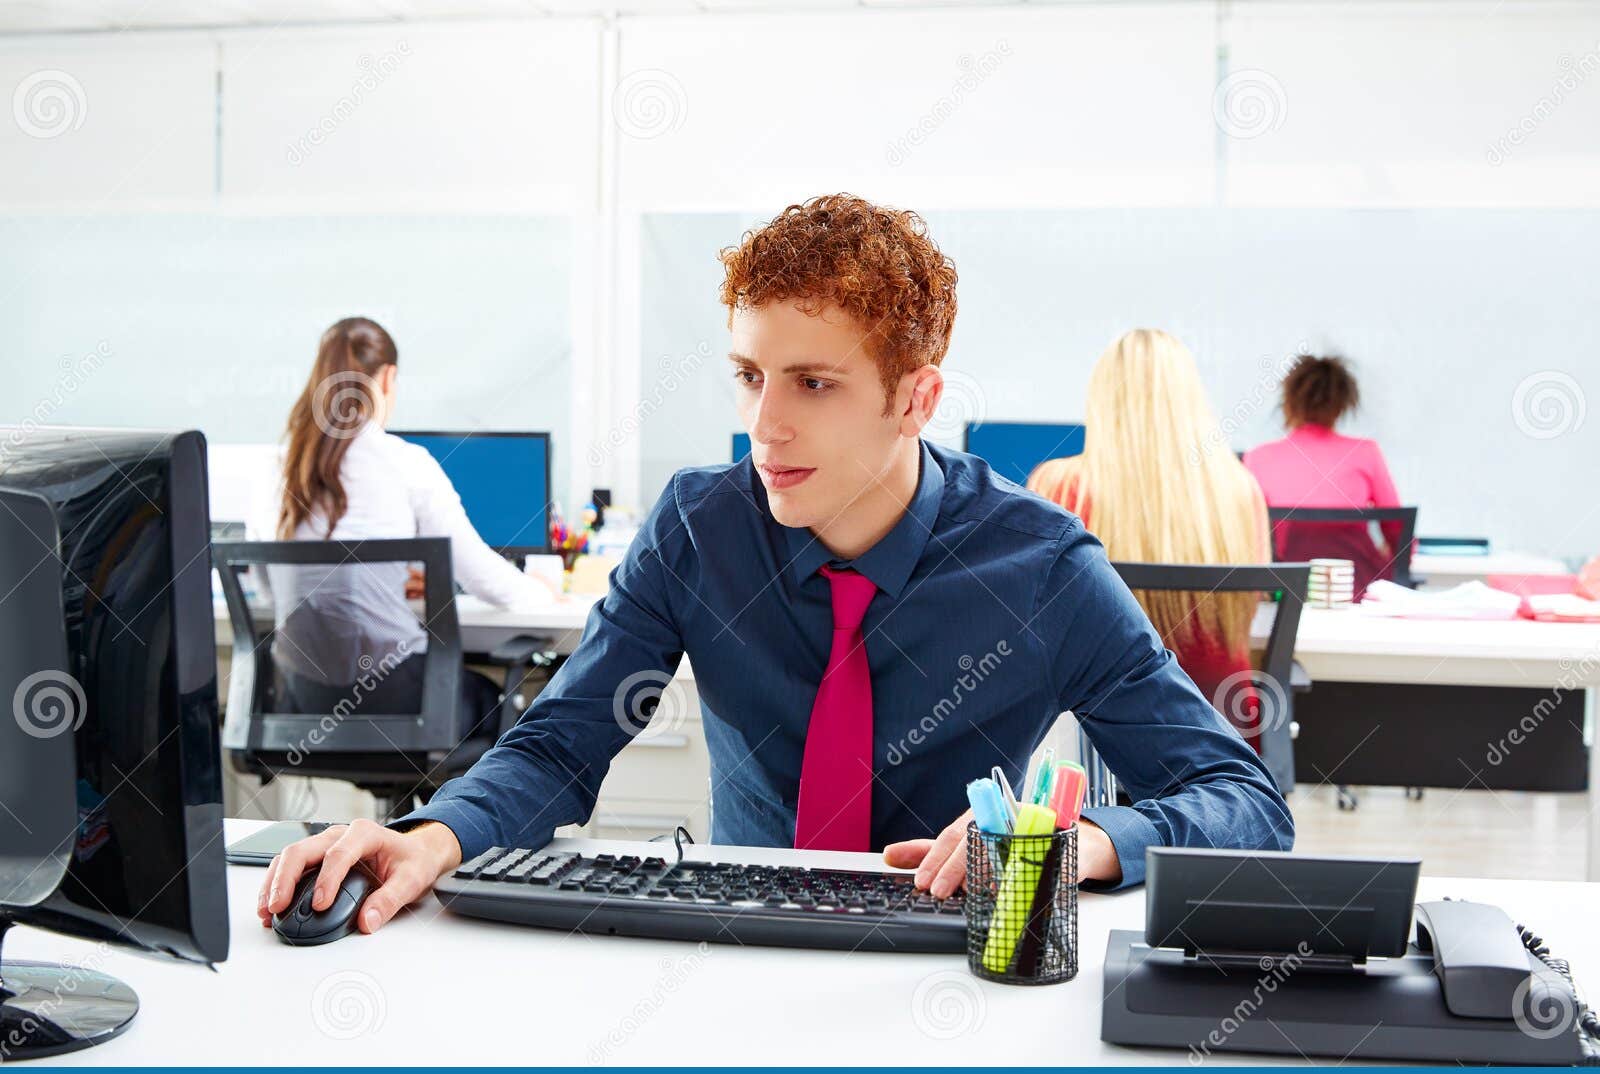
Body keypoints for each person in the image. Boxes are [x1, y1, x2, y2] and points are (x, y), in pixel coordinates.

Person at [260, 197, 1292, 937]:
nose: (764, 423)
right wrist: (435, 833)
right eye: (750, 376)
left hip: (948, 955)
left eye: (812, 383)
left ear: (915, 398)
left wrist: (1082, 845)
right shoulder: (699, 527)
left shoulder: (1037, 564)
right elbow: (563, 741)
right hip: (735, 940)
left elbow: (1241, 799)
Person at [248, 317, 559, 747]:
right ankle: (439, 816)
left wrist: (386, 584)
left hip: (302, 698)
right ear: (388, 377)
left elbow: (268, 591)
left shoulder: (275, 471)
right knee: (501, 699)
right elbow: (482, 578)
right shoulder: (405, 463)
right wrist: (542, 591)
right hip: (397, 698)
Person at [1028, 329, 1271, 738]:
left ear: (1104, 398)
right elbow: (1255, 602)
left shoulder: (1059, 485)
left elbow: (1033, 615)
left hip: (1096, 742)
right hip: (1224, 734)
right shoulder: (1240, 490)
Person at [1244, 354, 1404, 599]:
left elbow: (1247, 540)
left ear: (1288, 403)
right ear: (1342, 405)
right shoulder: (1366, 453)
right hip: (1359, 591)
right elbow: (1399, 534)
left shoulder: (1258, 458)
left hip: (1285, 594)